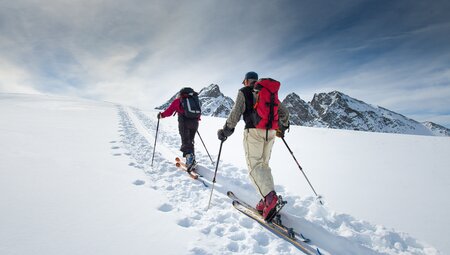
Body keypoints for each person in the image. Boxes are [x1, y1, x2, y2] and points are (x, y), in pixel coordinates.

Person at [217, 71, 289, 220]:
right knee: (264, 165)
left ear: (245, 81)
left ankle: (269, 198)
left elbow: (235, 113)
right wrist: (281, 127)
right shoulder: (268, 91)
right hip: (270, 133)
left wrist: (226, 131)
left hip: (253, 132)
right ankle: (266, 199)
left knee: (255, 166)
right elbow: (284, 112)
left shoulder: (244, 91)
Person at [158, 87, 201, 170]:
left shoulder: (178, 101)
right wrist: (195, 121)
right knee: (190, 140)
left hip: (184, 123)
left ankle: (190, 161)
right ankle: (192, 159)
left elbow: (169, 111)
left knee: (185, 141)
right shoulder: (195, 101)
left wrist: (161, 115)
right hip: (195, 124)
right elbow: (198, 113)